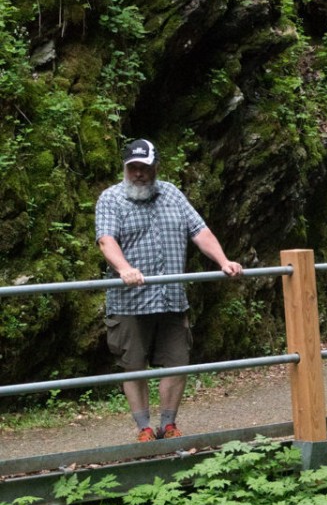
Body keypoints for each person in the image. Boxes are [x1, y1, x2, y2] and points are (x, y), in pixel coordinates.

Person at [95, 138, 243, 442]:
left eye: (144, 167)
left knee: (177, 361)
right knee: (133, 365)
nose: (138, 173)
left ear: (155, 167)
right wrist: (124, 268)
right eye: (132, 167)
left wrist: (223, 260)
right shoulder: (110, 199)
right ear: (125, 168)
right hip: (129, 302)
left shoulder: (173, 194)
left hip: (171, 298)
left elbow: (200, 231)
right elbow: (106, 241)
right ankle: (144, 429)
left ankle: (169, 424)